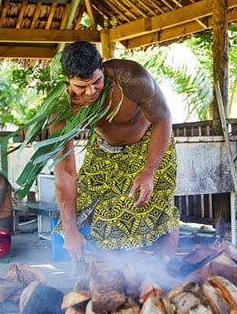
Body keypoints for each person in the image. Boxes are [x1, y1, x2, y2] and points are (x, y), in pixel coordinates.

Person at [51, 41, 180, 261]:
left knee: (154, 206)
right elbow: (65, 173)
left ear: (102, 66)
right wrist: (71, 231)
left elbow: (163, 118)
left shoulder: (130, 78)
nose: (91, 92)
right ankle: (115, 273)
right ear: (66, 78)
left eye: (97, 82)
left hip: (149, 144)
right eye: (81, 87)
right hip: (103, 150)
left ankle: (163, 272)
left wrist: (149, 170)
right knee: (89, 209)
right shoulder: (61, 109)